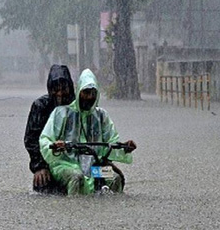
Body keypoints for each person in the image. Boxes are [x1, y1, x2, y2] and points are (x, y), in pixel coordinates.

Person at [39, 68, 136, 195]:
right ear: (79, 91)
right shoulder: (61, 113)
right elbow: (45, 139)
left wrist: (124, 148)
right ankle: (74, 210)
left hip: (95, 167)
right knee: (76, 177)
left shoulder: (102, 116)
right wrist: (55, 147)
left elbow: (111, 142)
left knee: (115, 178)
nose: (90, 97)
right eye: (86, 92)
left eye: (93, 93)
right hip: (66, 164)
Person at [24, 64, 75, 194]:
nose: (60, 93)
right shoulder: (40, 106)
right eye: (55, 89)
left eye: (64, 89)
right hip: (49, 162)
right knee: (43, 182)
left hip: (78, 160)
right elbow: (31, 139)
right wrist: (39, 166)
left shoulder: (78, 106)